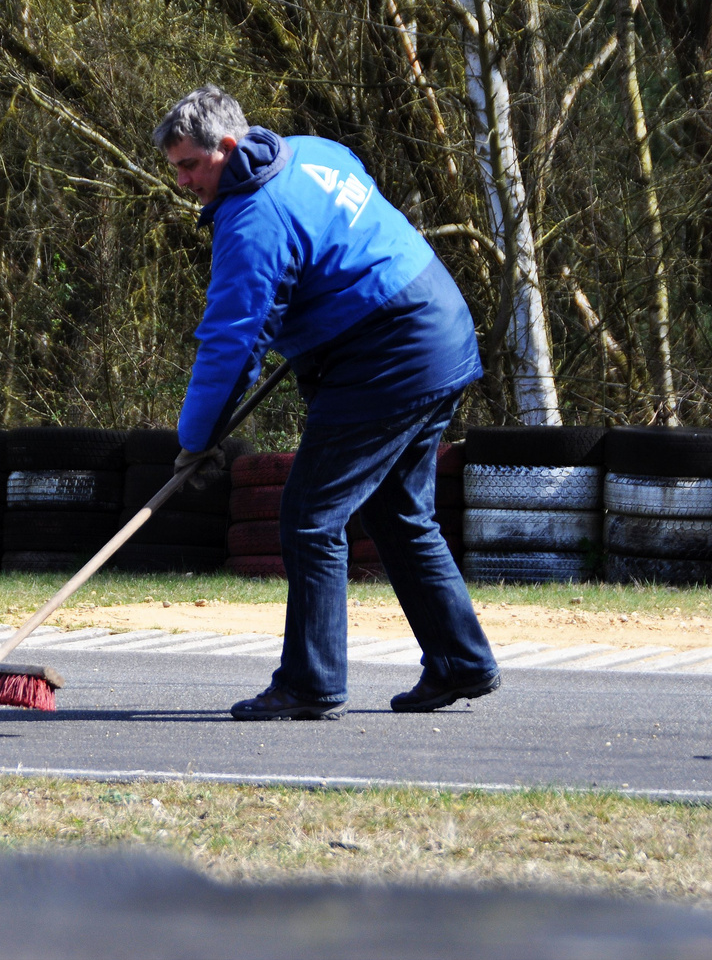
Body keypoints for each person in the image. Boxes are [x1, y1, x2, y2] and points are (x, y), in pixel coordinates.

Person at [155, 84, 500, 719]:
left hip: (389, 355)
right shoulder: (309, 150)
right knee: (398, 510)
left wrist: (196, 437)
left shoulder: (253, 218)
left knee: (311, 515)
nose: (181, 181)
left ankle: (310, 682)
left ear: (226, 148)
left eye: (187, 165)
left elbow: (231, 343)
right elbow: (343, 229)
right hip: (438, 324)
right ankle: (461, 660)